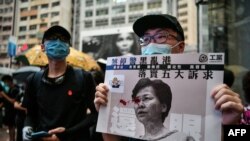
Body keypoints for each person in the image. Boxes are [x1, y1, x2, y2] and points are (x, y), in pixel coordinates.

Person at [94, 14, 243, 141]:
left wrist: (228, 126)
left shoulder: (209, 91)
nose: (151, 44)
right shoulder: (130, 88)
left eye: (161, 36)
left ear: (180, 46)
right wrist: (105, 114)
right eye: (145, 39)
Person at [22, 25, 97, 141]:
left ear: (68, 49)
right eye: (52, 39)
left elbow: (94, 115)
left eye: (63, 40)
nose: (57, 42)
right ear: (43, 47)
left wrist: (66, 133)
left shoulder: (84, 77)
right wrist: (27, 128)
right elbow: (30, 114)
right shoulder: (33, 80)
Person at [1, 75, 18, 141]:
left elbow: (13, 101)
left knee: (12, 127)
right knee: (10, 127)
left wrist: (4, 95)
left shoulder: (15, 89)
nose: (5, 84)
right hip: (8, 111)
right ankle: (11, 139)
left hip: (12, 112)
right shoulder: (9, 89)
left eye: (5, 82)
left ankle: (12, 139)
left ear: (9, 81)